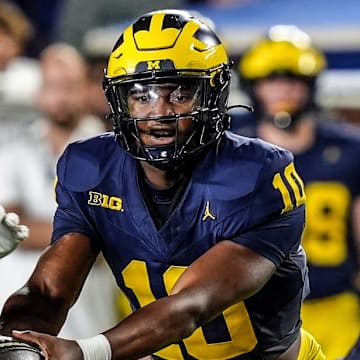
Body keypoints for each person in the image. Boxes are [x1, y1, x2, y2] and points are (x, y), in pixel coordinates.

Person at [0, 10, 325, 359]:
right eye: (142, 97)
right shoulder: (91, 167)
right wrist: (16, 343)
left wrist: (84, 352)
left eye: (179, 94)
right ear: (119, 100)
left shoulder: (256, 172)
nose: (159, 113)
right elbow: (49, 291)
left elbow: (191, 305)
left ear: (212, 95)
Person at [233, 24, 360, 360]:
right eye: (272, 82)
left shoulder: (349, 148)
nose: (282, 92)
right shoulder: (232, 152)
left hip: (334, 305)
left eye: (291, 81)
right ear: (254, 87)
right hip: (253, 311)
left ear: (310, 85)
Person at [0, 42, 119, 339]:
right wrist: (87, 230)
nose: (61, 96)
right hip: (17, 320)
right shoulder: (14, 148)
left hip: (90, 321)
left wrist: (34, 229)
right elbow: (10, 222)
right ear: (39, 91)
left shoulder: (115, 151)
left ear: (88, 89)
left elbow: (117, 234)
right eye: (53, 85)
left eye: (70, 85)